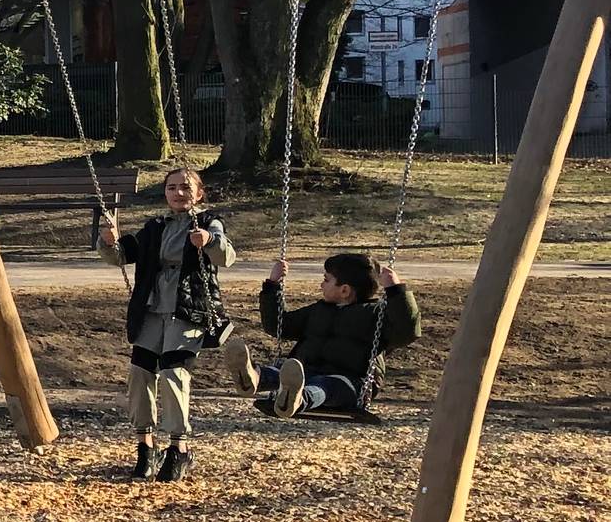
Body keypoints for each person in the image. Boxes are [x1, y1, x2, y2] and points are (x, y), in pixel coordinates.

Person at [102, 168, 235, 482]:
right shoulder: (155, 226)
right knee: (140, 372)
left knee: (174, 373)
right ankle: (146, 445)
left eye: (185, 188)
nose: (177, 193)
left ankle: (179, 447)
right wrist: (110, 242)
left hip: (188, 309)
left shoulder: (208, 221)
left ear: (199, 193)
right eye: (171, 188)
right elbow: (124, 255)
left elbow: (226, 257)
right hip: (152, 308)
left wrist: (209, 241)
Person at [226, 253, 419, 420]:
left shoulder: (376, 315)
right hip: (306, 372)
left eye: (326, 280)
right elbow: (279, 326)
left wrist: (396, 291)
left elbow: (406, 332)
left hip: (351, 382)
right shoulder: (318, 311)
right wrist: (272, 286)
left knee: (323, 385)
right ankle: (253, 377)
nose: (321, 284)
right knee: (282, 373)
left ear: (344, 290)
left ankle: (296, 399)